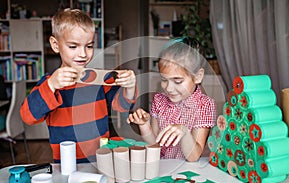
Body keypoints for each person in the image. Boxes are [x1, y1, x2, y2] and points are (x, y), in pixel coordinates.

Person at [20, 9, 136, 163]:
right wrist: (51, 85)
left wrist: (130, 87)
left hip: (101, 159)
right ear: (55, 45)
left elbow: (122, 106)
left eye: (89, 46)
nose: (83, 54)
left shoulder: (100, 78)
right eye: (73, 46)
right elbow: (28, 117)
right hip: (67, 163)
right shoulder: (49, 83)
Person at [127, 38, 216, 162]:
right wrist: (144, 126)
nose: (168, 88)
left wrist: (184, 131)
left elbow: (193, 156)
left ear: (197, 76)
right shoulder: (159, 100)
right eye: (164, 80)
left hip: (186, 172)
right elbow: (155, 145)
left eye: (177, 81)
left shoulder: (205, 105)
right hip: (162, 167)